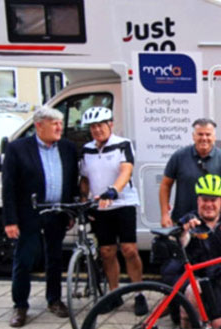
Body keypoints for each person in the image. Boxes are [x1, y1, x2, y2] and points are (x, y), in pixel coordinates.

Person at [1, 107, 79, 327]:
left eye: (60, 123)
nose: (59, 128)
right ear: (39, 125)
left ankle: (54, 300)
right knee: (25, 259)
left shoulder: (68, 148)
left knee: (55, 258)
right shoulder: (18, 149)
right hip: (29, 213)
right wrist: (10, 220)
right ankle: (20, 306)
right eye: (54, 124)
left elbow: (72, 180)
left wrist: (71, 210)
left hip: (57, 213)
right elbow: (8, 187)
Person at [162, 174, 221, 328]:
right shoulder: (190, 219)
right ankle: (183, 315)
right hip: (183, 277)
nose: (209, 204)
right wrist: (185, 231)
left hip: (210, 281)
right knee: (194, 291)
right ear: (198, 200)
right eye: (205, 200)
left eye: (213, 200)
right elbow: (180, 242)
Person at [76, 107, 144, 316]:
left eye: (100, 125)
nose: (97, 130)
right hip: (100, 206)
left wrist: (113, 191)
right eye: (93, 127)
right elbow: (85, 178)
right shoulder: (86, 150)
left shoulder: (123, 144)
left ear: (110, 124)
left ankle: (139, 293)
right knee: (106, 252)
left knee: (129, 250)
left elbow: (126, 170)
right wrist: (84, 201)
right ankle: (114, 294)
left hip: (123, 204)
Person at [160, 118, 221, 228]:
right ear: (193, 136)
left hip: (213, 223)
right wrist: (164, 214)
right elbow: (165, 185)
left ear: (214, 137)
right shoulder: (179, 156)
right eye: (200, 134)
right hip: (183, 220)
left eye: (208, 134)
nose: (204, 138)